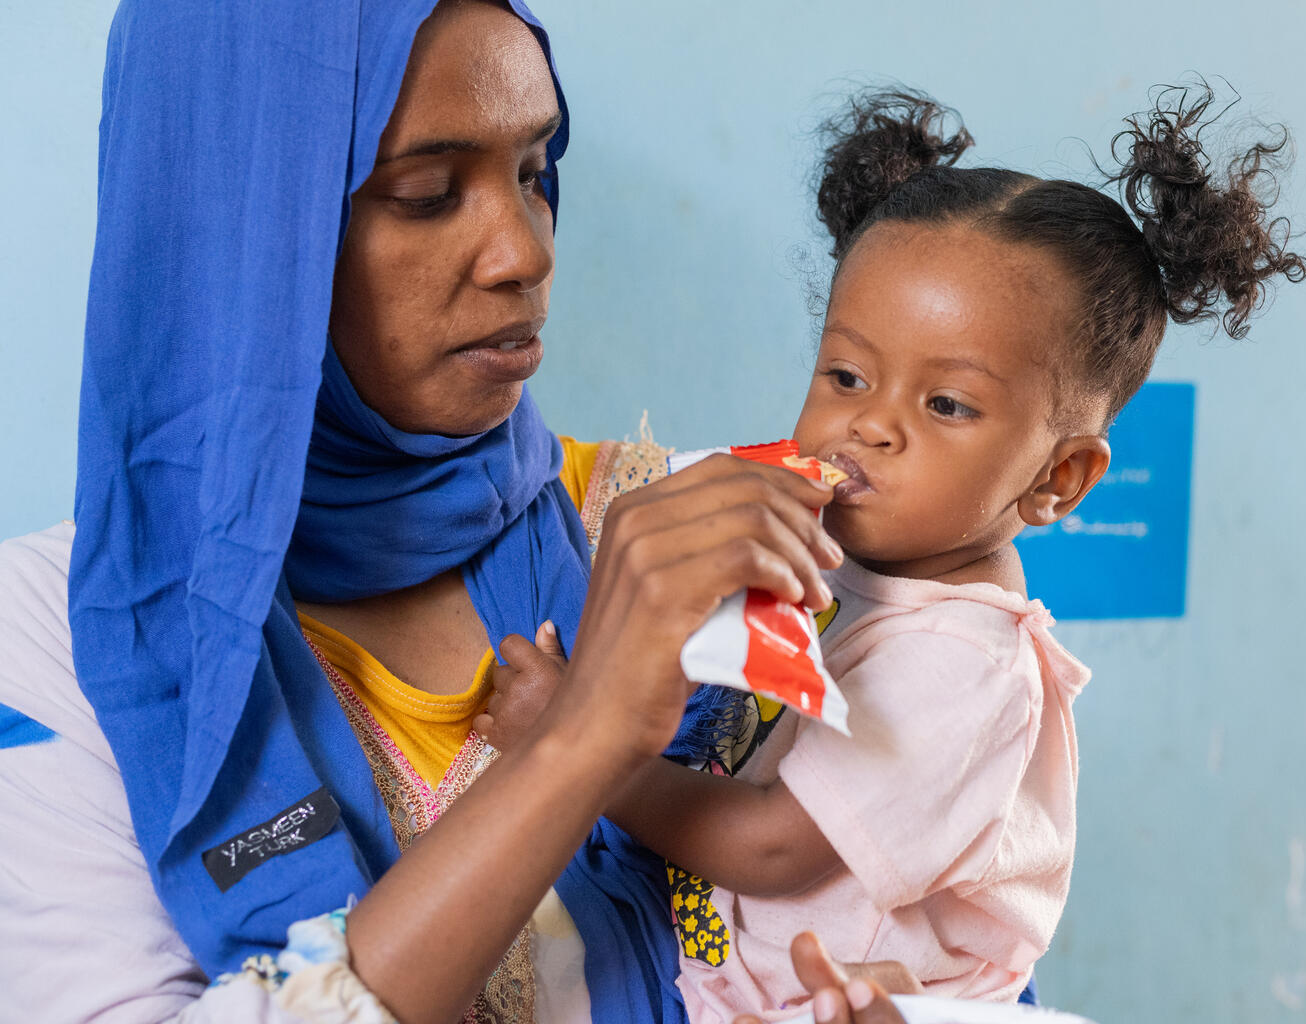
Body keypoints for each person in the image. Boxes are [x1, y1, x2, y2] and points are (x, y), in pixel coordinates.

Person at [0, 3, 920, 1022]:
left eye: (534, 172)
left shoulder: (682, 532)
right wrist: (585, 739)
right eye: (428, 194)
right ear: (241, 230)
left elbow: (924, 910)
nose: (523, 253)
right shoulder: (68, 643)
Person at [479, 87, 1306, 1023]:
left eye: (945, 405)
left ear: (1059, 480)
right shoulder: (851, 554)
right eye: (845, 375)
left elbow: (770, 849)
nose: (868, 425)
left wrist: (573, 741)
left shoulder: (964, 666)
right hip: (721, 962)